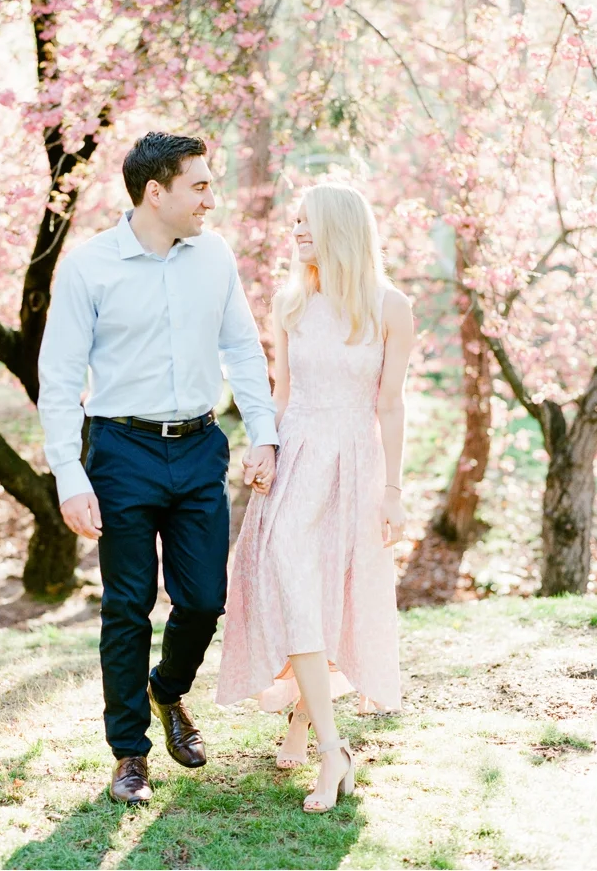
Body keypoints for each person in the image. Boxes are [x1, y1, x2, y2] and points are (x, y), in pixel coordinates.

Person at [38, 132, 279, 805]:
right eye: (199, 185)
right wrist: (69, 472)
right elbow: (58, 377)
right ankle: (130, 755)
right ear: (156, 192)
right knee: (127, 608)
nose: (212, 197)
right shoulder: (91, 266)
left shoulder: (214, 256)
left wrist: (265, 434)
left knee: (205, 598)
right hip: (121, 452)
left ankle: (167, 690)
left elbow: (242, 346)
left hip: (201, 445)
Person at [216, 182, 412, 814]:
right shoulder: (290, 303)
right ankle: (334, 749)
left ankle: (309, 723)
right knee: (287, 573)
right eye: (293, 221)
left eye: (305, 222)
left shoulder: (389, 307)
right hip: (297, 452)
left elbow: (390, 402)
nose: (294, 231)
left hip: (354, 457)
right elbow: (281, 390)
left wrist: (393, 491)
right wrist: (263, 445)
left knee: (332, 585)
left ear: (340, 228)